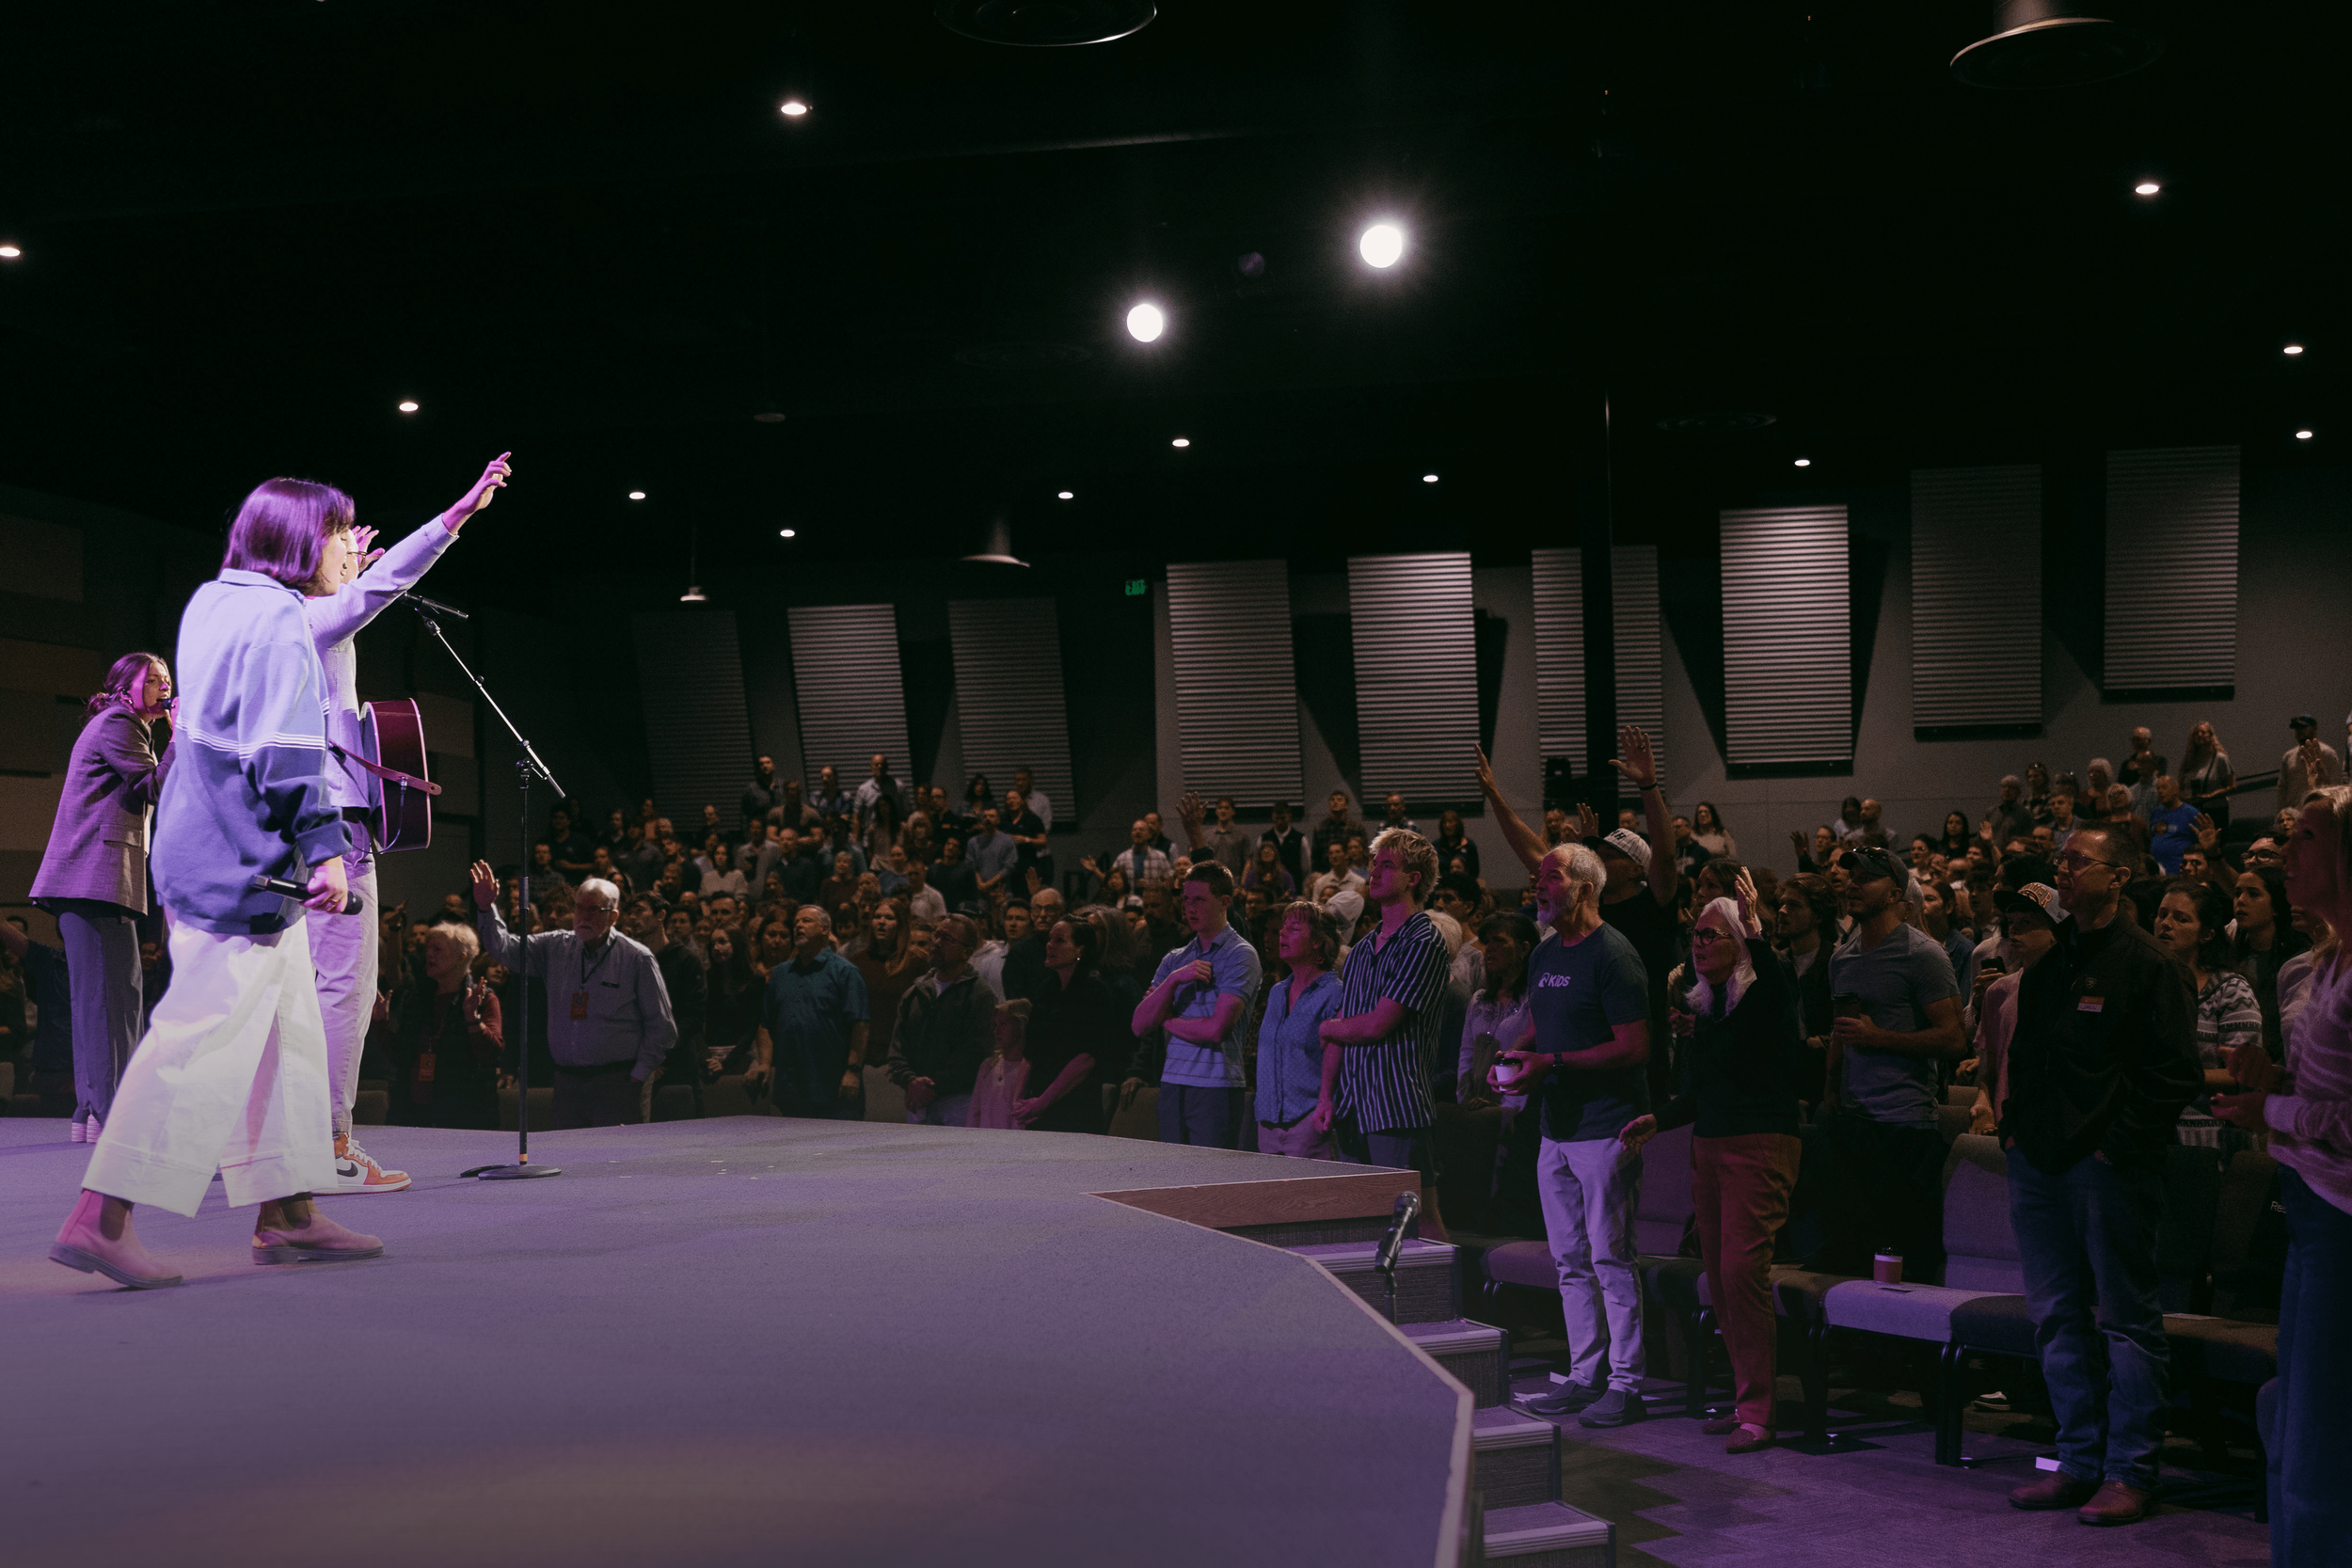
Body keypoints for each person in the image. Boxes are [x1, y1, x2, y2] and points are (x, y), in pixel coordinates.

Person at [51, 477, 384, 1290]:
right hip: (242, 861)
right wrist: (328, 847)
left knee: (288, 1036)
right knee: (200, 1037)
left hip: (210, 850)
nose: (350, 546)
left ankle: (287, 1211)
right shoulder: (274, 622)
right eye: (339, 533)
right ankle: (100, 1218)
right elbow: (283, 747)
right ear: (301, 540)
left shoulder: (213, 601)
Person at [2000, 823, 2199, 1526]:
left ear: (2118, 876)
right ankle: (2077, 1460)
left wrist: (2115, 1144)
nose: (2063, 868)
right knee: (2055, 1317)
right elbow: (2025, 1057)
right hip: (2040, 1163)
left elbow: (2173, 1072)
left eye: (2077, 860)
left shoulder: (2149, 964)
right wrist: (2013, 1129)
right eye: (2061, 859)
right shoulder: (2053, 963)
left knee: (2125, 1321)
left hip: (2107, 1168)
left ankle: (2131, 1470)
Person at [2212, 785, 2352, 1561]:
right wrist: (2272, 1085)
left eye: (2304, 838)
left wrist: (2268, 1114)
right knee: (2293, 1424)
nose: (2281, 852)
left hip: (2341, 1220)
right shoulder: (2314, 966)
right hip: (2307, 1208)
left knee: (2315, 1443)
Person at [1618, 870, 1799, 1452]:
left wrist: (1757, 928)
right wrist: (1659, 1120)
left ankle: (1761, 1412)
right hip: (1711, 1146)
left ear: (1741, 945)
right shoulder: (1708, 1008)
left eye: (1712, 935)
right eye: (1695, 935)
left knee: (1743, 1274)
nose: (1698, 944)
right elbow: (1698, 1095)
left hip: (1758, 1145)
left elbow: (1780, 992)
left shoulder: (1762, 994)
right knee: (1719, 1278)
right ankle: (1748, 1399)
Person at [1494, 845, 1651, 1428]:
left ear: (1585, 887)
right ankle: (1584, 1375)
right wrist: (1519, 1055)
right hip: (1555, 1129)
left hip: (1606, 1128)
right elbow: (1543, 1022)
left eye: (1551, 877)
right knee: (1569, 1260)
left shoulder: (1614, 955)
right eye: (1538, 876)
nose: (1538, 885)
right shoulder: (1544, 953)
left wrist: (1550, 1063)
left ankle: (1628, 1382)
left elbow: (1635, 1046)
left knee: (1611, 1257)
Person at [30, 651, 177, 1144]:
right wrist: (184, 738)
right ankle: (113, 1115)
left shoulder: (123, 725)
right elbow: (152, 786)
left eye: (166, 679)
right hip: (94, 881)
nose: (164, 686)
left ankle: (92, 1112)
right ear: (122, 686)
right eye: (153, 679)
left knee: (111, 998)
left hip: (99, 882)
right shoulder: (120, 723)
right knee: (112, 1001)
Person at [1819, 847, 1964, 1279]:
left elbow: (1956, 1039)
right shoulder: (1842, 957)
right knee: (1855, 1258)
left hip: (1906, 1129)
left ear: (1896, 893)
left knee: (1905, 1262)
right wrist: (1829, 1091)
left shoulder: (1923, 954)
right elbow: (1841, 1032)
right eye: (1851, 877)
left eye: (1867, 878)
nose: (1853, 884)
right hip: (1855, 1124)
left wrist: (1878, 1037)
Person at [1313, 830, 1454, 1232]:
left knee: (1418, 1218)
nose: (1374, 872)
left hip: (1396, 1105)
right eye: (1375, 864)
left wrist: (1329, 1026)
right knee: (1368, 1220)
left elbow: (1377, 1024)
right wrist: (1326, 1095)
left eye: (1387, 865)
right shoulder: (1361, 949)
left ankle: (1442, 1295)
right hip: (1355, 1105)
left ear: (1413, 878)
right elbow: (1345, 1029)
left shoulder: (1424, 939)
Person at [471, 865, 675, 1129]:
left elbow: (662, 1028)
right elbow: (502, 948)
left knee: (616, 1163)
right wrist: (487, 908)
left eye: (594, 910)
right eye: (580, 908)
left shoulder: (637, 958)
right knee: (568, 1162)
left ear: (613, 916)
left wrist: (638, 1076)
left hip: (617, 1082)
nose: (583, 916)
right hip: (567, 1082)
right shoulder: (555, 946)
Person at [1133, 862, 1263, 1147]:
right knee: (1173, 1178)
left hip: (1216, 1085)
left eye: (1199, 900)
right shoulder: (1176, 959)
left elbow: (1217, 1029)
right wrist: (1174, 980)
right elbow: (1139, 1024)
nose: (1189, 908)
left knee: (1208, 1179)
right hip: (1172, 1082)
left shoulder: (1240, 955)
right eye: (1186, 900)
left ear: (1224, 902)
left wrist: (1166, 1019)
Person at [2152, 877, 2262, 1152]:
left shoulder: (2230, 990)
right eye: (2162, 915)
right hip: (2148, 1132)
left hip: (2209, 1138)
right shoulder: (2144, 983)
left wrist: (2172, 1076)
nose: (2166, 924)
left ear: (2207, 934)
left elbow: (2243, 1075)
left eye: (2181, 919)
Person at [748, 905, 867, 1119]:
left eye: (806, 921)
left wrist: (853, 1071)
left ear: (825, 929)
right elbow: (766, 1023)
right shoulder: (781, 974)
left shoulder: (845, 972)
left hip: (833, 1085)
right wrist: (764, 1063)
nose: (798, 926)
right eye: (796, 923)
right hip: (792, 1086)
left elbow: (859, 1025)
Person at [384, 922, 504, 1130]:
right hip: (413, 1114)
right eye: (428, 949)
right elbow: (400, 1057)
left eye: (437, 949)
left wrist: (472, 1019)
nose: (429, 954)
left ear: (461, 957)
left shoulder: (483, 998)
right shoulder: (419, 998)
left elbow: (490, 1054)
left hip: (462, 1114)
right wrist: (379, 1022)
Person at [1965, 884, 2061, 1136]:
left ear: (2056, 931)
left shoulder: (2072, 991)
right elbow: (1989, 1070)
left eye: (2028, 922)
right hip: (2005, 1126)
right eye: (2011, 921)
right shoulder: (1998, 992)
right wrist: (1983, 1102)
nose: (2014, 929)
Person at [886, 913, 995, 1126]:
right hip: (917, 1100)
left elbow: (976, 1054)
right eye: (936, 936)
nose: (936, 943)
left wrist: (931, 1086)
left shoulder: (980, 995)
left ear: (966, 952)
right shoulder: (915, 993)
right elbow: (897, 1049)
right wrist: (911, 1082)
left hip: (958, 1102)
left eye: (947, 939)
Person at [1256, 902, 1344, 1159]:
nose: (1282, 933)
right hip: (1268, 1122)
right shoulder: (1277, 992)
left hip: (1309, 1123)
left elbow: (1336, 1058)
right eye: (1283, 927)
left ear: (1318, 942)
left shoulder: (1335, 992)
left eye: (1293, 929)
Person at [1020, 918, 1120, 1133]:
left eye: (1059, 940)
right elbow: (1030, 1051)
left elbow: (1085, 1058)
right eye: (1049, 939)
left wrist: (1043, 1102)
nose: (1049, 945)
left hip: (1075, 1107)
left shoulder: (1094, 992)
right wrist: (1018, 1098)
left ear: (1080, 950)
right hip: (1038, 1100)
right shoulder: (1046, 989)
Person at [967, 999, 1033, 1130]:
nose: (996, 1031)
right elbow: (975, 1111)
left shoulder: (1029, 1069)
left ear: (1021, 1026)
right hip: (986, 1143)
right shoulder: (988, 1066)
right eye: (995, 1024)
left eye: (1003, 1024)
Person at [2278, 714, 2344, 815]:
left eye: (2303, 727)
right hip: (2295, 813)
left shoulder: (2327, 754)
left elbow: (2337, 784)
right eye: (2297, 728)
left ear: (2314, 728)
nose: (2299, 731)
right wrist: (2282, 812)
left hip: (2320, 811)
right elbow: (2282, 787)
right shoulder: (2288, 756)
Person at [2177, 721, 2235, 833]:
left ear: (2211, 735)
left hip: (2214, 810)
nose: (2199, 735)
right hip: (2192, 810)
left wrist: (2209, 796)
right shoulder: (2189, 760)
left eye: (2203, 732)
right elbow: (2180, 786)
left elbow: (2232, 786)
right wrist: (2185, 797)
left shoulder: (2220, 759)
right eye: (2196, 733)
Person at [2145, 774, 2201, 876]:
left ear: (2176, 789)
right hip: (2158, 872)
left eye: (2164, 787)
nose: (2160, 791)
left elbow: (2197, 844)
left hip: (2180, 871)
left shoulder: (2191, 813)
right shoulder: (2155, 814)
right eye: (2158, 788)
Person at [1262, 801, 1308, 887]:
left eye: (1283, 818)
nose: (1279, 822)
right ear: (1273, 817)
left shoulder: (1300, 838)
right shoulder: (1264, 838)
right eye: (1277, 818)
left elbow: (1305, 868)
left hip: (1295, 886)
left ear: (1289, 816)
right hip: (1270, 887)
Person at [741, 754, 783, 830]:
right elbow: (745, 815)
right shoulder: (752, 789)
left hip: (782, 832)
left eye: (768, 762)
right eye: (761, 764)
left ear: (773, 766)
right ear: (758, 768)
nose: (765, 766)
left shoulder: (782, 786)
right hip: (762, 832)